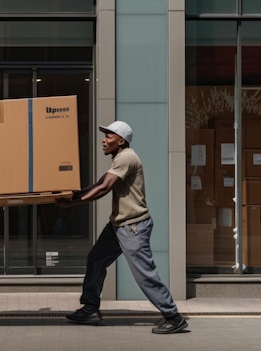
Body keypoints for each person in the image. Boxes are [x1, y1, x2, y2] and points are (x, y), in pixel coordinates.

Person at [57, 120, 188, 334]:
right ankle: (90, 308)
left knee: (143, 274)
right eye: (105, 136)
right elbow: (100, 183)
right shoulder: (120, 158)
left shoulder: (126, 157)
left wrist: (72, 203)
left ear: (121, 140)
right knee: (96, 259)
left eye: (109, 136)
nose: (104, 140)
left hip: (132, 226)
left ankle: (173, 317)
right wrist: (75, 194)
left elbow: (104, 188)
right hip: (118, 225)